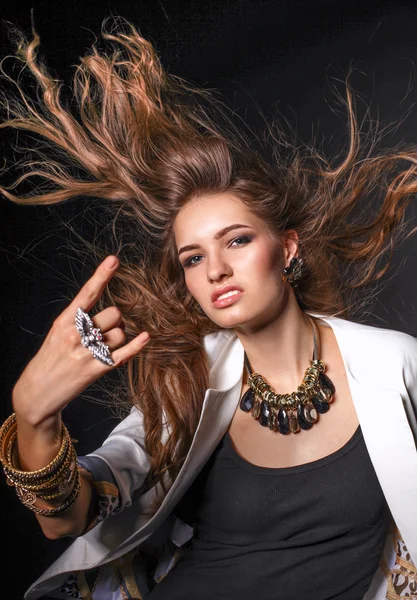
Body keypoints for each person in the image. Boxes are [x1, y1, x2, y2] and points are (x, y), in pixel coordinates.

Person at [0, 16, 416, 600]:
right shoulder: (188, 383)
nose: (215, 268)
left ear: (287, 247)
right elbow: (69, 518)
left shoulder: (392, 366)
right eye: (192, 258)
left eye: (237, 240)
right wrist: (33, 419)